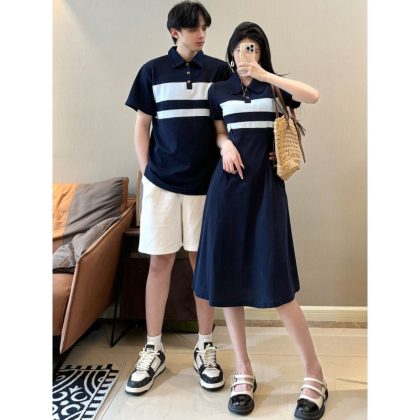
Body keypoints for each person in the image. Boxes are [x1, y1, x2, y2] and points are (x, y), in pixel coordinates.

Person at [192, 22, 328, 419]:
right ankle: (243, 371)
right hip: (227, 193)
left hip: (266, 191)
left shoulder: (273, 87)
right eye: (239, 48)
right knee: (229, 284)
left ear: (261, 52)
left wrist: (267, 75)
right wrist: (225, 145)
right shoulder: (219, 90)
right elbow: (219, 131)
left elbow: (313, 95)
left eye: (252, 48)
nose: (244, 54)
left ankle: (314, 374)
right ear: (231, 52)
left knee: (280, 285)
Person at [124, 1, 231, 396]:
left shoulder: (218, 71)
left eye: (204, 27)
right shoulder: (151, 71)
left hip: (206, 185)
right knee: (160, 263)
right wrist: (147, 171)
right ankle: (153, 349)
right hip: (161, 185)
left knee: (202, 265)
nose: (201, 34)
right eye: (194, 28)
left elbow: (224, 125)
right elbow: (142, 125)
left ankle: (206, 346)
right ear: (175, 32)